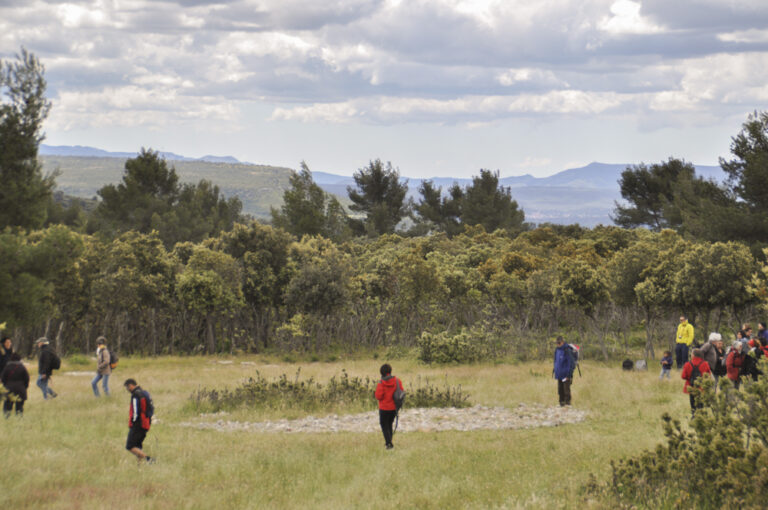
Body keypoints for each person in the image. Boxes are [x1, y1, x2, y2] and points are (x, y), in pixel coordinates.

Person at [374, 364, 404, 450]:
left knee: (384, 425)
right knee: (390, 424)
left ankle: (388, 443)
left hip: (384, 408)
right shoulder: (398, 381)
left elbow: (378, 396)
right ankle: (389, 442)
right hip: (394, 408)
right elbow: (401, 391)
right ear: (390, 371)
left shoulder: (381, 383)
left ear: (381, 372)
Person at [124, 379, 154, 463]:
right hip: (146, 423)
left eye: (127, 388)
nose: (127, 390)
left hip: (138, 424)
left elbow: (135, 411)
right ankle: (139, 466)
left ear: (130, 385)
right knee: (137, 446)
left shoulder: (135, 395)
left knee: (130, 446)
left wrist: (133, 423)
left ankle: (149, 460)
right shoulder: (145, 393)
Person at [681, 348, 711, 414]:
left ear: (693, 355)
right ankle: (701, 417)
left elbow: (683, 376)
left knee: (693, 404)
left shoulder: (687, 364)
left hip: (691, 387)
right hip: (701, 387)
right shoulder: (705, 364)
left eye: (691, 353)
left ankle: (694, 417)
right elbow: (708, 376)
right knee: (701, 404)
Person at [553, 336, 575, 407]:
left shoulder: (567, 350)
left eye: (559, 343)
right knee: (560, 390)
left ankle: (567, 404)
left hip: (566, 374)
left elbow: (571, 363)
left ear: (562, 342)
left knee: (566, 390)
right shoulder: (557, 350)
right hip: (559, 374)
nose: (558, 344)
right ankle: (561, 403)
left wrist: (569, 374)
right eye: (557, 343)